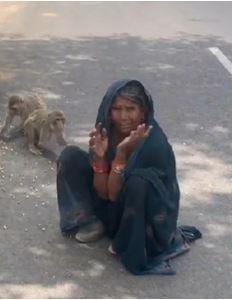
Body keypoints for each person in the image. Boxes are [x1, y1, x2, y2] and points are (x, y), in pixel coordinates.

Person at [56, 79, 201, 275]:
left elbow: (115, 195)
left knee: (139, 181)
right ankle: (91, 222)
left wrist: (121, 155)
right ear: (108, 110)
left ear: (143, 112)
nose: (123, 116)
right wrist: (99, 159)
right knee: (70, 156)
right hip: (112, 198)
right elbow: (104, 193)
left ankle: (126, 240)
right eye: (117, 109)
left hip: (140, 214)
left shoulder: (154, 143)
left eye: (130, 109)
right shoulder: (107, 129)